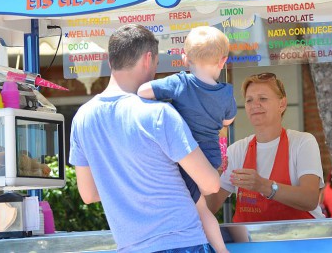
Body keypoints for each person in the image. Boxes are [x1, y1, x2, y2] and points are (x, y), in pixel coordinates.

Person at [69, 24, 220, 253]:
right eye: (157, 65)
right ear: (148, 59)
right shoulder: (158, 113)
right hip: (181, 242)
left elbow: (88, 194)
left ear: (111, 62)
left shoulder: (82, 119)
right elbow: (210, 185)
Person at [138, 25, 236, 253]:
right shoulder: (226, 92)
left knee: (199, 210)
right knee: (198, 207)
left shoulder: (179, 83)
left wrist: (165, 104)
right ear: (222, 62)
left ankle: (221, 251)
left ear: (185, 59)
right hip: (211, 160)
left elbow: (142, 91)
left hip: (188, 159)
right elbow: (228, 120)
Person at [207, 72, 325, 222]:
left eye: (263, 98)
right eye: (249, 100)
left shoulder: (302, 142)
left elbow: (310, 198)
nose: (255, 105)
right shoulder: (236, 151)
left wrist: (263, 186)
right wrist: (213, 175)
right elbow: (210, 207)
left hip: (299, 240)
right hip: (250, 243)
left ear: (282, 104)